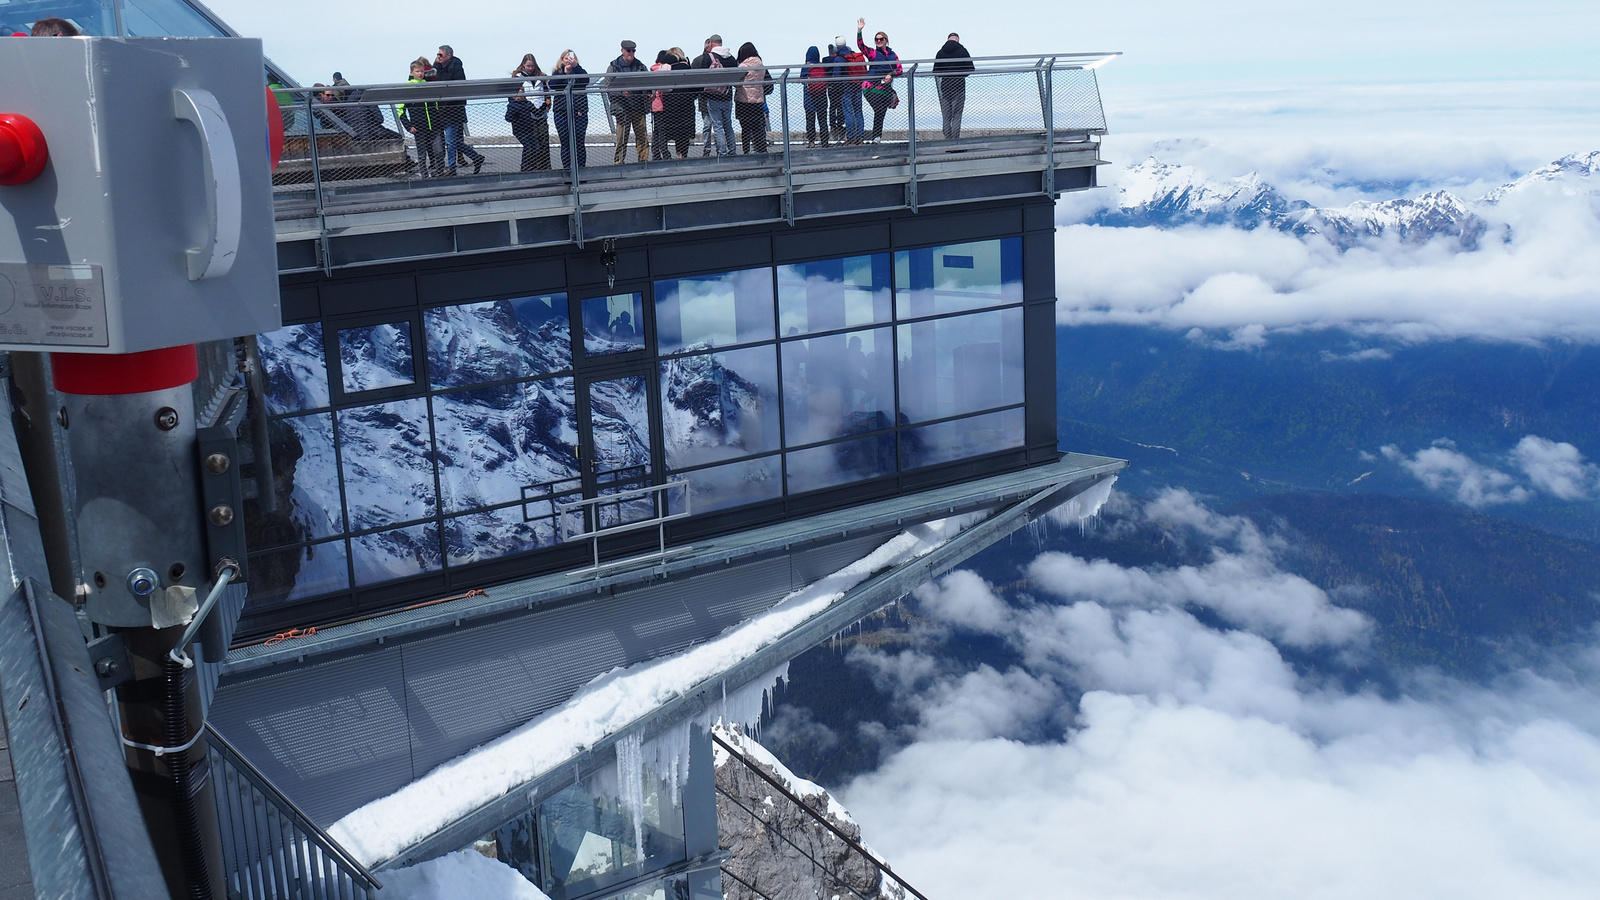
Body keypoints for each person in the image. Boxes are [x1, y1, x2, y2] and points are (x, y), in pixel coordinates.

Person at [433, 45, 485, 175]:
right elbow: (427, 78)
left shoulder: (456, 67)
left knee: (450, 141)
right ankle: (476, 157)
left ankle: (452, 168)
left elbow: (459, 87)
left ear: (448, 56)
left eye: (441, 55)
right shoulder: (437, 68)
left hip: (453, 109)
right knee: (452, 141)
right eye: (438, 54)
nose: (438, 57)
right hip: (442, 109)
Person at [398, 58, 446, 177]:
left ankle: (439, 173)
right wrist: (408, 126)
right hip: (418, 127)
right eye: (417, 71)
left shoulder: (428, 86)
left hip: (434, 125)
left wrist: (440, 120)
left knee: (439, 151)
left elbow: (435, 105)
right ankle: (424, 176)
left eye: (422, 71)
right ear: (411, 73)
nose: (420, 74)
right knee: (422, 153)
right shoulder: (407, 88)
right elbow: (401, 110)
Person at [856, 20, 902, 143]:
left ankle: (877, 137)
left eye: (881, 39)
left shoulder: (893, 55)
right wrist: (859, 31)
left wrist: (890, 74)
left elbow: (900, 69)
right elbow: (861, 46)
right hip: (870, 87)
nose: (879, 41)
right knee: (879, 109)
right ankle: (876, 137)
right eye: (877, 39)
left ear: (886, 40)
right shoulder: (873, 53)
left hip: (885, 89)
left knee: (881, 111)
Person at [607, 40, 649, 165]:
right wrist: (620, 92)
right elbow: (607, 86)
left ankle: (643, 161)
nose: (631, 53)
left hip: (638, 107)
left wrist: (650, 92)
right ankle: (619, 162)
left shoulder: (640, 66)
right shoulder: (614, 66)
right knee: (621, 138)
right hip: (622, 109)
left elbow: (648, 82)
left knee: (642, 136)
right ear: (622, 50)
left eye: (633, 50)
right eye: (628, 50)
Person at [507, 54, 551, 171]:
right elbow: (514, 97)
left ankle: (545, 168)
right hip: (526, 116)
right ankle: (530, 168)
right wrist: (528, 108)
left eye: (532, 66)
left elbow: (547, 95)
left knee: (543, 142)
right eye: (528, 66)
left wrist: (546, 105)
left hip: (541, 114)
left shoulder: (541, 77)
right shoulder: (517, 78)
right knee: (532, 143)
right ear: (523, 65)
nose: (530, 68)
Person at [550, 50, 589, 170]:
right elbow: (552, 85)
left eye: (571, 58)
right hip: (562, 113)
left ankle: (581, 169)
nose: (568, 60)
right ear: (562, 60)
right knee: (565, 143)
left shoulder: (579, 71)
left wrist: (576, 67)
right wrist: (564, 74)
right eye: (566, 58)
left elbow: (585, 80)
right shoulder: (557, 73)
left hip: (579, 112)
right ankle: (568, 170)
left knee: (579, 142)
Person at [933, 33, 974, 140]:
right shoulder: (962, 51)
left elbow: (936, 71)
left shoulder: (940, 52)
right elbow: (971, 69)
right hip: (959, 86)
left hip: (945, 87)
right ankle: (955, 142)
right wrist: (960, 74)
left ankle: (948, 140)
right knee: (957, 116)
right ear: (958, 40)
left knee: (946, 116)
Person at [700, 44, 737, 156]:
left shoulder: (708, 57)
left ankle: (722, 152)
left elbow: (702, 75)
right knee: (728, 125)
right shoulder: (731, 58)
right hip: (727, 95)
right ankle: (732, 150)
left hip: (713, 96)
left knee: (717, 126)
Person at [734, 42, 769, 155]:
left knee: (745, 128)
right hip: (758, 100)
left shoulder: (743, 66)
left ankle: (746, 150)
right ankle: (760, 148)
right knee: (757, 126)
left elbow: (736, 83)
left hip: (744, 100)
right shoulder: (761, 65)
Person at [661, 48, 696, 159]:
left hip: (671, 103)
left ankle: (671, 154)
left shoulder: (668, 67)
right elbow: (694, 88)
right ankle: (682, 154)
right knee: (684, 133)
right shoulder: (688, 68)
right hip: (687, 104)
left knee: (673, 131)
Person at [834, 34, 867, 144]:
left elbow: (836, 75)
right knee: (858, 111)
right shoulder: (854, 55)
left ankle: (851, 138)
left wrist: (836, 86)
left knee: (848, 112)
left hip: (846, 87)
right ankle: (860, 137)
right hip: (858, 84)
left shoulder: (839, 58)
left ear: (837, 45)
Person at [801, 46, 828, 148]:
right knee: (823, 120)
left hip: (809, 97)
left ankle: (811, 141)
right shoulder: (822, 66)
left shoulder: (806, 66)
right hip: (822, 97)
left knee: (810, 120)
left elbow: (803, 80)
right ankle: (825, 141)